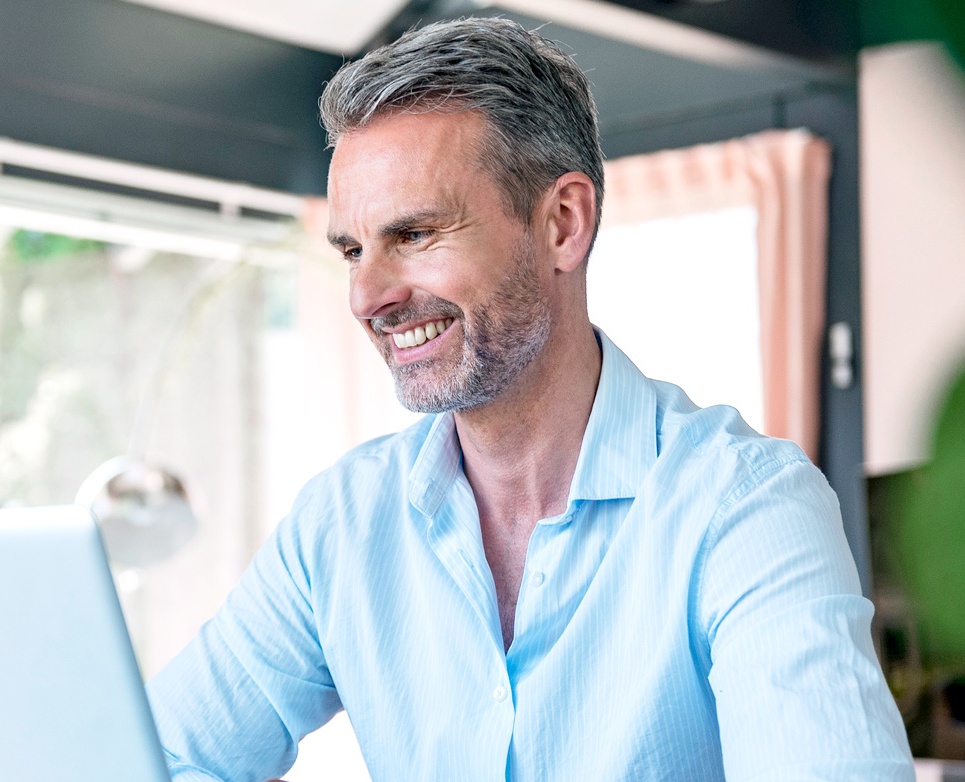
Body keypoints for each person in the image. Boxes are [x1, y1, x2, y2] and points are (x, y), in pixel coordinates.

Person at [147, 17, 913, 781]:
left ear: (561, 224)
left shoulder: (743, 509)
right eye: (352, 250)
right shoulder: (338, 530)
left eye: (413, 234)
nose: (366, 296)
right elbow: (157, 760)